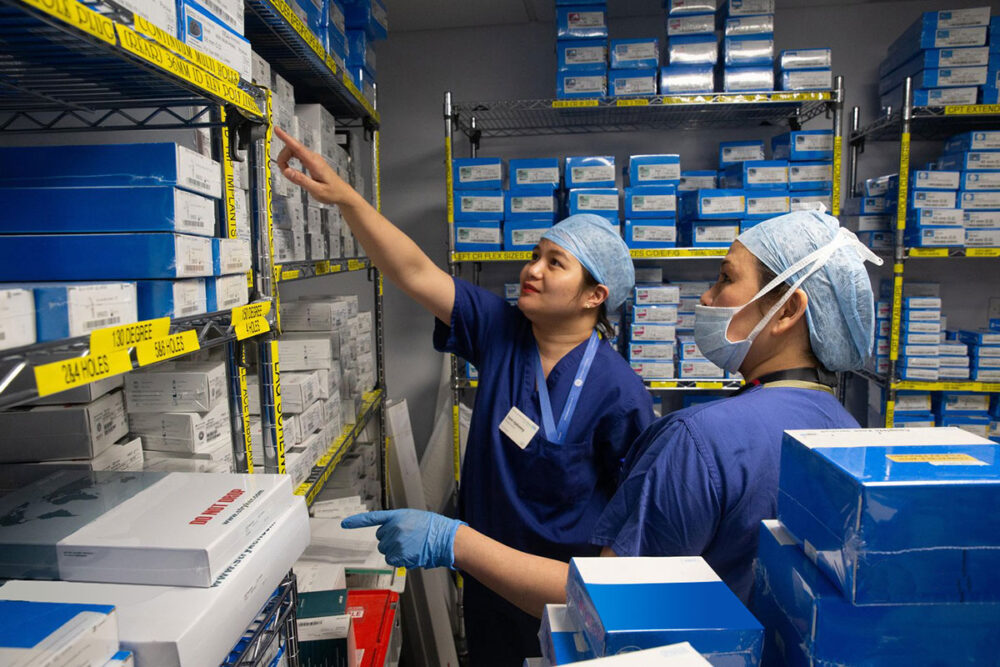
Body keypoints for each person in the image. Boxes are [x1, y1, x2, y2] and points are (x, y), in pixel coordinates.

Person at [343, 210, 884, 626]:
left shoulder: (698, 440)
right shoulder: (850, 436)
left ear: (788, 310)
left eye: (724, 278)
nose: (708, 296)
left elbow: (614, 596)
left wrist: (453, 542)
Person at [273, 128, 655, 665]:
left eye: (555, 263)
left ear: (595, 297)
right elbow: (411, 270)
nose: (532, 270)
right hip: (484, 581)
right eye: (535, 254)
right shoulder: (501, 331)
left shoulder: (620, 393)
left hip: (561, 594)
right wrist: (347, 198)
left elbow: (634, 522)